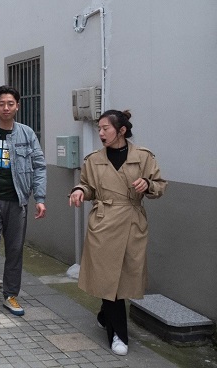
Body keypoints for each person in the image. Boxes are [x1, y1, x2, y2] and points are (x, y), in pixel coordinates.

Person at [68, 109, 166, 356]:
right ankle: (119, 335)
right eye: (99, 129)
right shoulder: (93, 160)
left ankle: (105, 314)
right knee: (107, 276)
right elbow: (88, 186)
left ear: (121, 130)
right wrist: (79, 191)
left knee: (123, 277)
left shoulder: (143, 156)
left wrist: (148, 184)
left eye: (105, 128)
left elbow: (159, 185)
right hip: (103, 223)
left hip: (132, 221)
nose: (100, 133)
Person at [0, 85, 47, 317]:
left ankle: (10, 295)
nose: (6, 108)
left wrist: (40, 197)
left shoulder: (27, 134)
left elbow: (39, 166)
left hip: (17, 200)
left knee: (14, 249)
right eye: (1, 104)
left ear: (17, 106)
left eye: (10, 104)